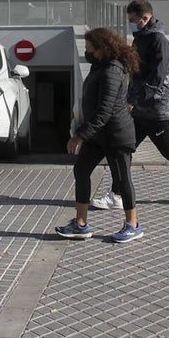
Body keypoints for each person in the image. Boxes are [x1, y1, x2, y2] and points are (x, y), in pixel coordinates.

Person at [91, 0, 169, 210]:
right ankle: (117, 195)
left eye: (133, 20)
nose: (131, 24)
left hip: (156, 111)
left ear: (145, 18)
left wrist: (133, 101)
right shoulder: (140, 39)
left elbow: (158, 79)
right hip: (137, 110)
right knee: (123, 150)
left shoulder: (158, 42)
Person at [56, 27, 144, 243]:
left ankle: (133, 225)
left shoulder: (111, 71)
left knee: (122, 179)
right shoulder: (100, 65)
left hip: (116, 135)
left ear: (102, 49)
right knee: (81, 170)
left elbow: (104, 111)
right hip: (98, 135)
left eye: (90, 48)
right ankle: (81, 224)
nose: (87, 53)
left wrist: (78, 136)